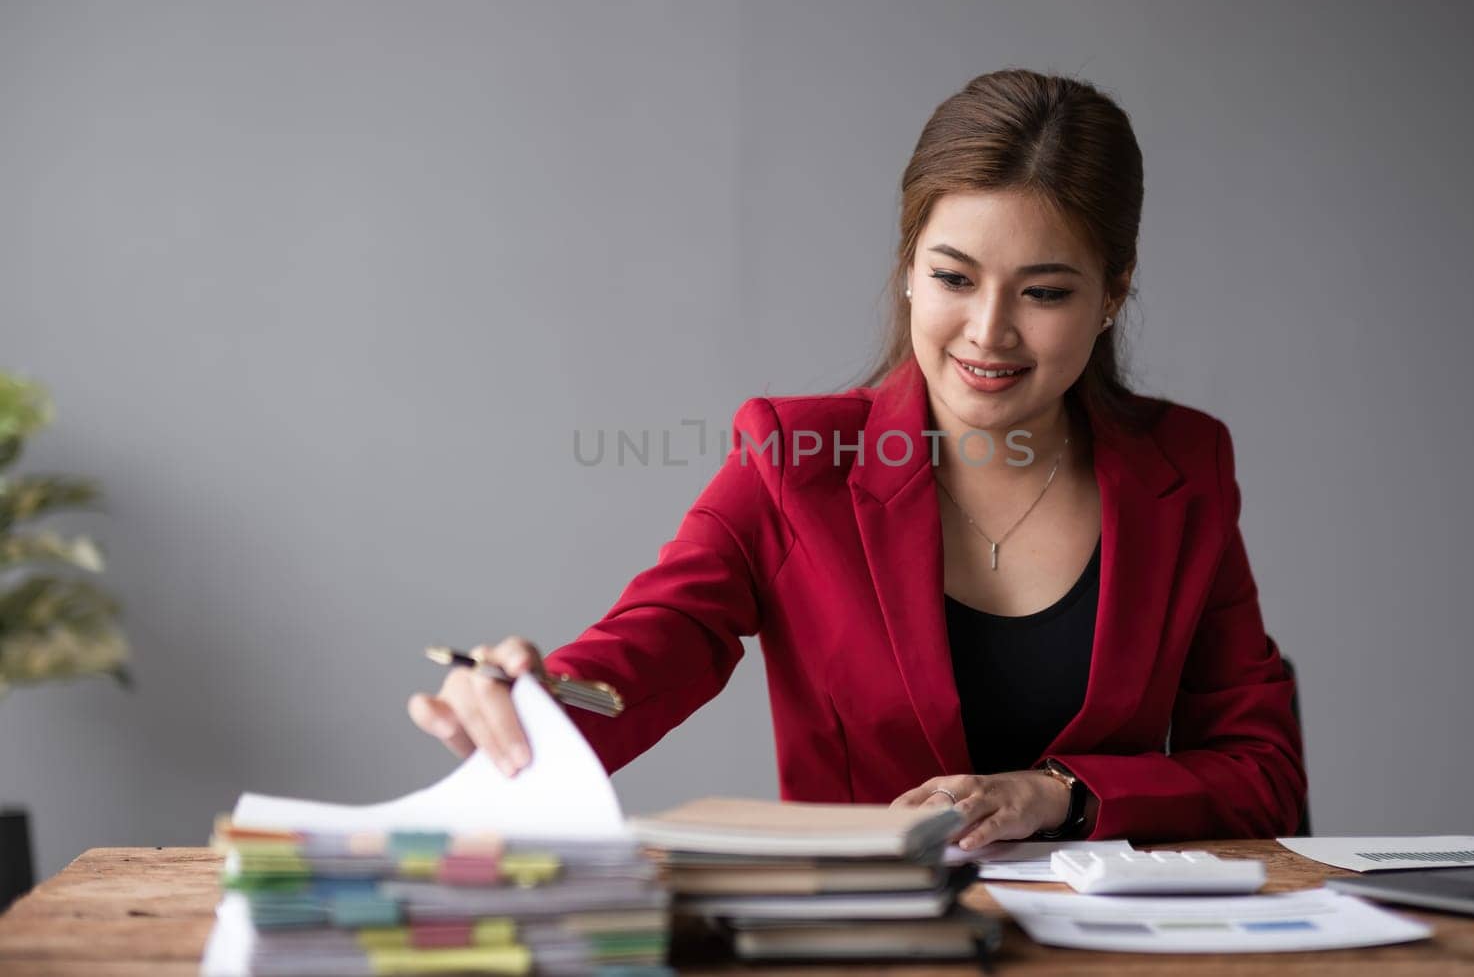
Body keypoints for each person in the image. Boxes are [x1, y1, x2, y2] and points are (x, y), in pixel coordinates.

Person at [408, 69, 1307, 849]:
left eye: (1044, 292)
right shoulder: (795, 459)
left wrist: (1059, 795)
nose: (988, 331)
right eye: (954, 277)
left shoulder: (1184, 470)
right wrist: (531, 701)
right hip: (862, 941)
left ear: (1114, 290)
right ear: (909, 267)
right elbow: (653, 646)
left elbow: (1264, 772)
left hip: (1110, 954)